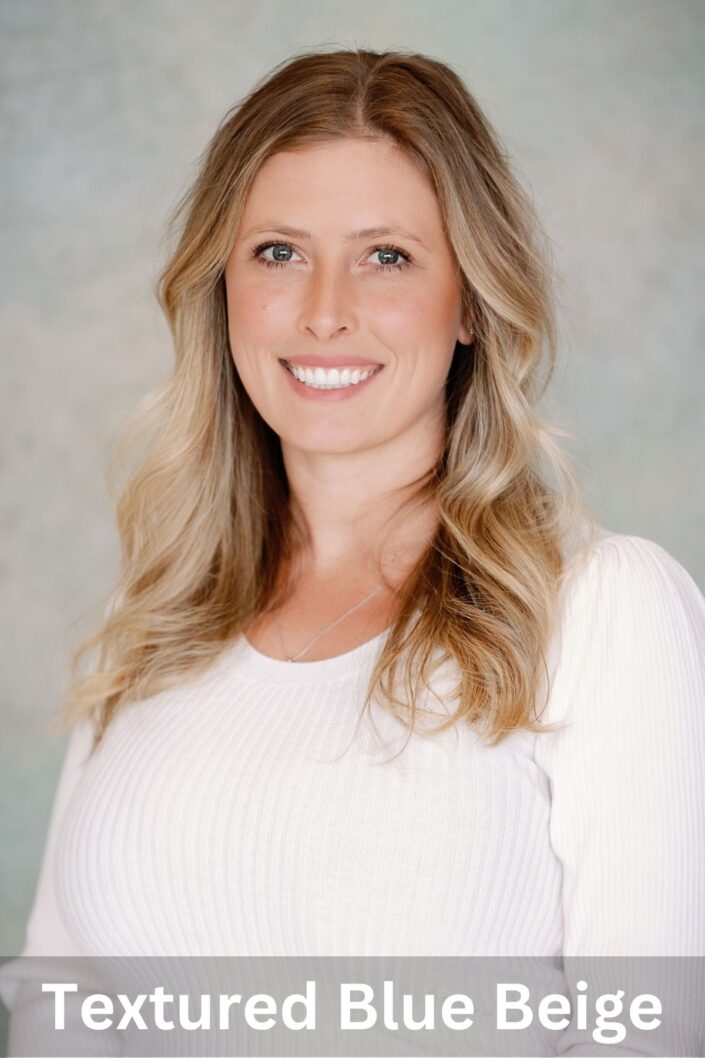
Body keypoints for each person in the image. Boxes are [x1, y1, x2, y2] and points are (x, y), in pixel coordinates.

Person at [1, 46, 704, 1056]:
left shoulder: (603, 608)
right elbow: (58, 1006)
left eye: (387, 256)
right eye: (279, 252)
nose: (324, 310)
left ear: (470, 299)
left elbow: (652, 1031)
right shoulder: (152, 633)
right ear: (223, 287)